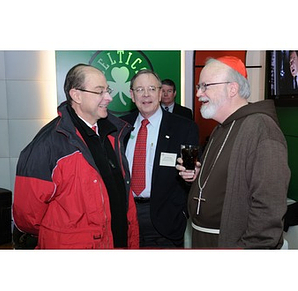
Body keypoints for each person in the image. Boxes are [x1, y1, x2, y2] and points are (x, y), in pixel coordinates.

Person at [13, 63, 139, 249]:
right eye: (100, 91)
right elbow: (27, 217)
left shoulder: (113, 134)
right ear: (76, 95)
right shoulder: (48, 144)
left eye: (108, 90)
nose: (109, 97)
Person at [176, 56, 290, 249]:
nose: (199, 94)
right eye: (198, 87)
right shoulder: (221, 127)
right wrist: (197, 176)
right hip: (204, 239)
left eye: (205, 86)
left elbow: (269, 203)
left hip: (234, 244)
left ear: (232, 89)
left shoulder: (261, 128)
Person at [121, 69, 199, 248]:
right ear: (132, 95)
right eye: (139, 89)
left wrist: (192, 175)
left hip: (166, 221)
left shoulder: (183, 127)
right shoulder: (120, 127)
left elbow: (191, 172)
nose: (146, 94)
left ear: (160, 93)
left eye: (151, 89)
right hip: (127, 218)